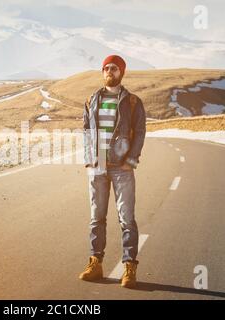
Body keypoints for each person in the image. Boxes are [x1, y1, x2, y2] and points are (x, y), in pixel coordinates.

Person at [80, 54, 146, 288]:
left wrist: (132, 161)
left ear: (122, 72)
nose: (110, 71)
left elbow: (139, 132)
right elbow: (86, 131)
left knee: (126, 218)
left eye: (114, 68)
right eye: (106, 68)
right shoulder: (92, 99)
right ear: (102, 72)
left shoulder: (133, 102)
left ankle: (129, 267)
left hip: (122, 169)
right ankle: (95, 264)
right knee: (96, 218)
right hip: (97, 168)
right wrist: (89, 160)